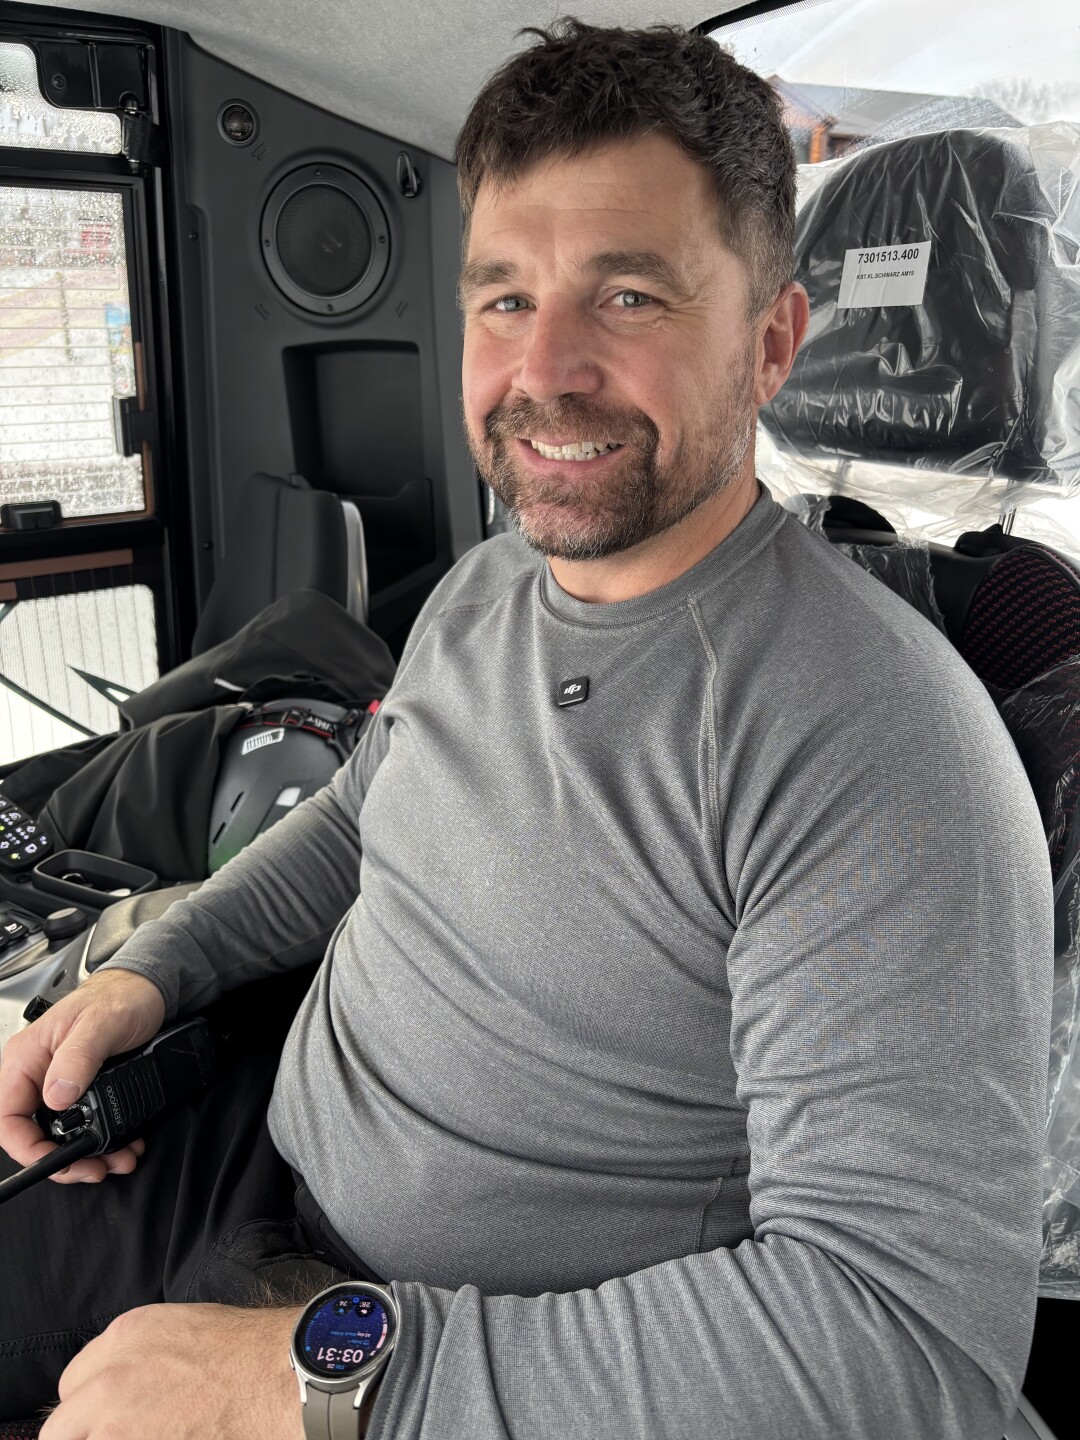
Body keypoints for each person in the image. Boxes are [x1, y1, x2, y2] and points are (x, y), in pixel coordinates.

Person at [0, 18, 1053, 1440]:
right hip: (240, 1157)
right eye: (505, 298)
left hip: (486, 1355)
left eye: (628, 296)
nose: (544, 369)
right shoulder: (491, 587)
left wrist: (307, 1383)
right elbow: (363, 823)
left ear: (771, 344)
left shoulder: (877, 742)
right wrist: (155, 974)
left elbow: (909, 1342)